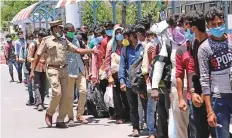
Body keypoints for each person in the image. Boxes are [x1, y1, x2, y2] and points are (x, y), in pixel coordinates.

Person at [30, 20, 98, 128]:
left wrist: (90, 51)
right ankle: (49, 112)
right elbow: (38, 55)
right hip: (53, 70)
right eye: (60, 28)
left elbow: (77, 50)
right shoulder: (46, 41)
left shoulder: (64, 41)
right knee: (57, 93)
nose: (62, 31)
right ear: (54, 29)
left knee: (66, 96)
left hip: (65, 70)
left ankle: (60, 119)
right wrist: (33, 71)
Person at [198, 7, 232, 138]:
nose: (217, 27)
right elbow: (205, 79)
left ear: (224, 22)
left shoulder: (231, 41)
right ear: (208, 25)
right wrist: (209, 111)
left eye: (220, 23)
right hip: (219, 98)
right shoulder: (204, 48)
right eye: (213, 25)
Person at [184, 10, 212, 138]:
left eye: (187, 26)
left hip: (212, 94)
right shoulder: (193, 44)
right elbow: (193, 69)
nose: (186, 29)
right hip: (198, 94)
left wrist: (204, 93)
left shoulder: (211, 44)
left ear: (193, 27)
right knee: (198, 132)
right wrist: (193, 92)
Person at [118, 25, 144, 137]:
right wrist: (122, 81)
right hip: (129, 82)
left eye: (126, 37)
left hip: (142, 81)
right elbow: (122, 66)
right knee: (133, 106)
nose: (124, 40)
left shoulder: (143, 46)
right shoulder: (125, 49)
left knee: (146, 105)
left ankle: (151, 127)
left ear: (132, 36)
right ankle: (135, 128)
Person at [64, 23, 88, 125]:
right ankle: (70, 117)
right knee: (69, 96)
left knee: (83, 92)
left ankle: (80, 114)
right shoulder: (62, 42)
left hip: (80, 69)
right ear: (65, 32)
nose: (73, 33)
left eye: (73, 31)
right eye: (70, 31)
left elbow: (82, 49)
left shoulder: (76, 39)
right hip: (68, 71)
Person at [105, 25, 130, 124]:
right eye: (117, 32)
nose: (119, 34)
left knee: (127, 95)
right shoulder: (111, 45)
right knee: (117, 96)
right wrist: (109, 76)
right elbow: (107, 62)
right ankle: (120, 115)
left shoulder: (127, 44)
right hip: (115, 75)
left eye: (121, 32)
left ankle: (129, 114)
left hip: (126, 74)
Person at [141, 30, 160, 138]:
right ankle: (151, 131)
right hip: (152, 81)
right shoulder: (150, 46)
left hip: (163, 82)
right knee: (151, 107)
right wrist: (147, 80)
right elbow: (145, 66)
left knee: (159, 108)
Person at [28, 28, 48, 111]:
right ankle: (39, 103)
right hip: (35, 68)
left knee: (43, 86)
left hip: (44, 69)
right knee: (37, 86)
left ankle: (42, 102)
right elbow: (29, 58)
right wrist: (39, 61)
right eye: (43, 38)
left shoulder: (46, 44)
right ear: (39, 37)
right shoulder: (33, 45)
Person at [19, 33, 34, 106]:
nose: (30, 40)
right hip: (27, 69)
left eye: (31, 38)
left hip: (35, 68)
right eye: (29, 38)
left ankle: (39, 100)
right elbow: (20, 58)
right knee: (29, 85)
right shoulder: (23, 48)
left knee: (36, 85)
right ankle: (31, 99)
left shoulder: (36, 47)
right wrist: (26, 60)